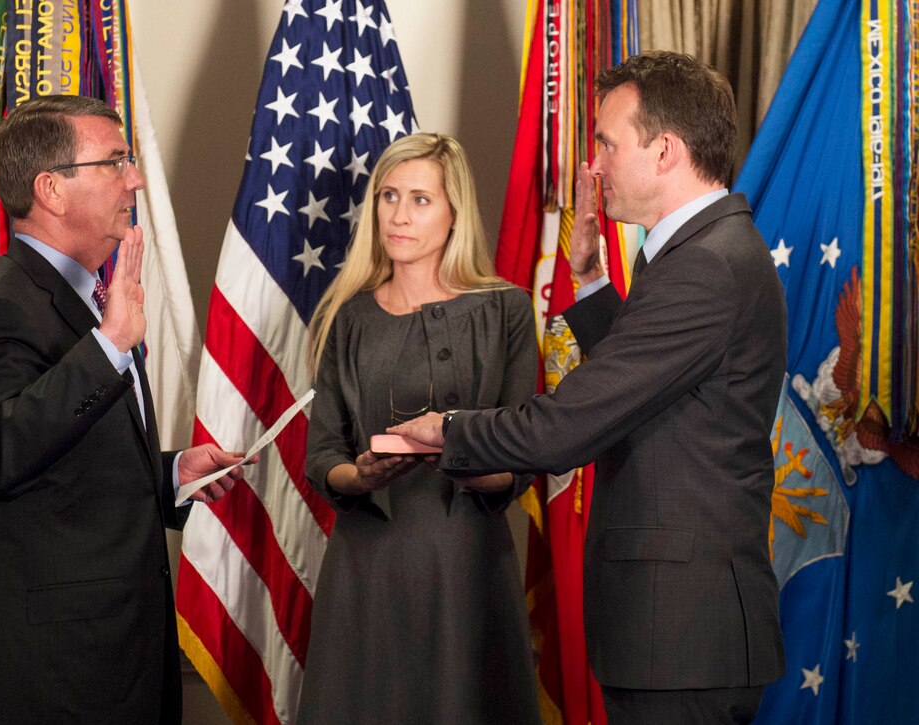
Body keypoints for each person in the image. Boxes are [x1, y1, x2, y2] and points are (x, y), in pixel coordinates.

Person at [392, 52, 787, 724]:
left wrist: (450, 429)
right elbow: (649, 399)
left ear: (664, 151)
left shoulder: (705, 266)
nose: (594, 164)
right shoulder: (702, 253)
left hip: (684, 638)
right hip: (674, 636)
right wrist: (597, 286)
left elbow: (570, 425)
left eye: (606, 142)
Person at [0, 95, 249, 724]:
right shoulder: (1, 306)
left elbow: (69, 472)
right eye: (115, 161)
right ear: (51, 189)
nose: (134, 177)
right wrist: (108, 346)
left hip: (118, 662)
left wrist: (170, 475)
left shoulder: (92, 298)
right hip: (49, 677)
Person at [297, 133, 541, 725]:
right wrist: (360, 474)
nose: (399, 215)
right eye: (388, 196)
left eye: (421, 200)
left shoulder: (506, 310)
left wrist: (458, 452)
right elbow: (323, 452)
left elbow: (525, 455)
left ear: (455, 212)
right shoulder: (346, 316)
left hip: (467, 570)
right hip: (368, 573)